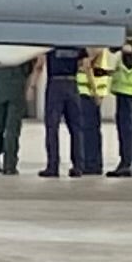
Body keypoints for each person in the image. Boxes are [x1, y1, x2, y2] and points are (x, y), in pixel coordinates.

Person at [41, 43, 95, 178]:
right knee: (76, 128)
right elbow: (86, 64)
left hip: (55, 84)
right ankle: (78, 167)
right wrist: (93, 88)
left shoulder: (50, 44)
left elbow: (39, 63)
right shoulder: (76, 43)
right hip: (72, 84)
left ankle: (53, 166)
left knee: (52, 128)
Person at [0, 50, 34, 178]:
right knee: (12, 130)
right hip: (16, 92)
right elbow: (28, 70)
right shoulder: (20, 52)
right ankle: (10, 166)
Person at [98, 46, 132, 177]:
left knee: (126, 131)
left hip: (129, 95)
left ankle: (126, 165)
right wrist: (106, 73)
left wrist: (116, 44)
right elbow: (125, 70)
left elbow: (128, 50)